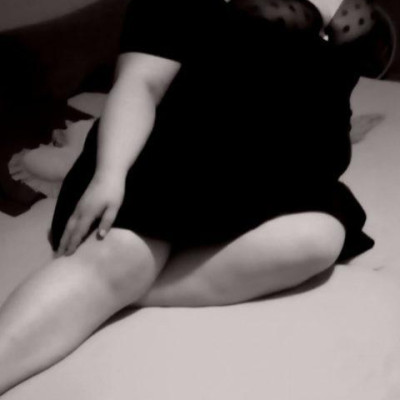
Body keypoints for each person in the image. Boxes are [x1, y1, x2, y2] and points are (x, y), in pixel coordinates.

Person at [0, 0, 377, 395]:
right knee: (125, 253)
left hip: (278, 179)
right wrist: (110, 174)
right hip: (179, 158)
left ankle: (132, 290)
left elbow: (312, 80)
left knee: (318, 240)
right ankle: (116, 282)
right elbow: (141, 83)